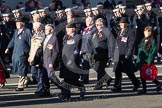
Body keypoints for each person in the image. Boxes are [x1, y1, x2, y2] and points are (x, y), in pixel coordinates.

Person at [112, 17, 141, 92]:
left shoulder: (130, 32)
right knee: (117, 71)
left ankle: (136, 83)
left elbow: (131, 44)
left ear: (127, 24)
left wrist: (128, 54)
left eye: (123, 23)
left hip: (125, 54)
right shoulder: (120, 31)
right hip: (118, 54)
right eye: (121, 23)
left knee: (128, 71)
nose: (121, 25)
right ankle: (117, 86)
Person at [5, 16, 32, 91]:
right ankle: (26, 79)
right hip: (16, 53)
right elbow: (13, 40)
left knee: (22, 68)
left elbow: (31, 43)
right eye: (16, 23)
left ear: (22, 23)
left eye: (18, 23)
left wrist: (31, 53)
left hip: (23, 53)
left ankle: (21, 85)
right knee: (17, 68)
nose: (17, 24)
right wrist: (8, 47)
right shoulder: (16, 31)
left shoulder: (27, 31)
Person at [59, 22, 85, 99]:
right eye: (66, 28)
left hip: (72, 61)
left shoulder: (77, 37)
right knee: (66, 79)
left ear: (73, 29)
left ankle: (81, 88)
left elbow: (76, 50)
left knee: (72, 79)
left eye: (68, 29)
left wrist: (72, 59)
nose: (66, 30)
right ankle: (66, 94)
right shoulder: (65, 37)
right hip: (65, 61)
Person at [136, 26, 161, 94]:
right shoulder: (143, 39)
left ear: (150, 32)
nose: (145, 32)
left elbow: (152, 52)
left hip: (147, 61)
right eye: (144, 31)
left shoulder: (153, 41)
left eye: (146, 31)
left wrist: (149, 62)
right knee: (143, 75)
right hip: (141, 60)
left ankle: (157, 84)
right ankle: (145, 89)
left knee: (148, 75)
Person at [92, 18, 114, 90]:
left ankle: (99, 85)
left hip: (104, 53)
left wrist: (110, 55)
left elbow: (111, 43)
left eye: (98, 25)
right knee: (97, 68)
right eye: (96, 25)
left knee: (100, 69)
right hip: (96, 53)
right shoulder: (95, 32)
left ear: (102, 25)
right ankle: (108, 79)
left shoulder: (107, 31)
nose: (97, 26)